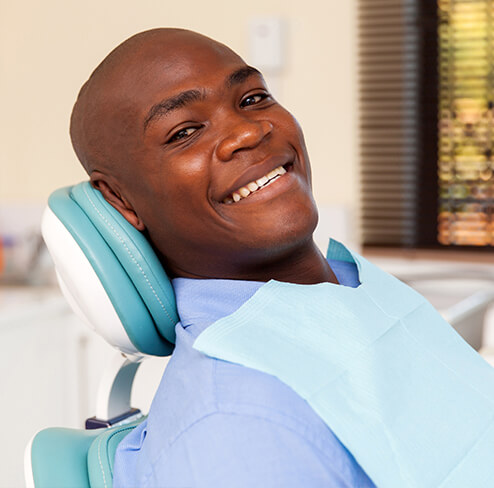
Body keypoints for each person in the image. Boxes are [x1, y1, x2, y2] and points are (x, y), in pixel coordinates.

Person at [70, 28, 375, 487]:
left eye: (252, 98)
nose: (249, 131)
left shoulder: (353, 289)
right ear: (120, 200)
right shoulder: (240, 431)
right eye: (185, 132)